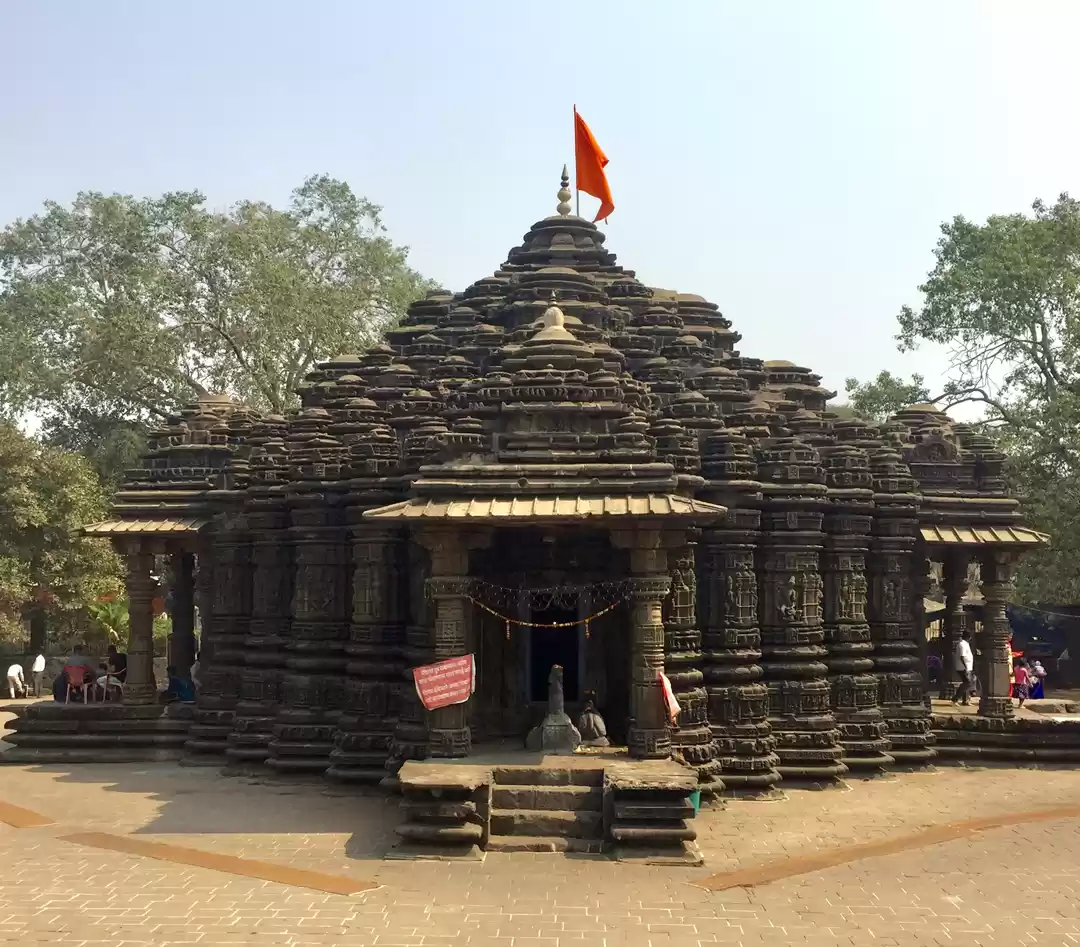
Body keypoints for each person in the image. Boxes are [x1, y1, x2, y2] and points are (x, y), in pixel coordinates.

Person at [952, 630, 975, 705]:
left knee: (968, 682)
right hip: (963, 668)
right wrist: (966, 668)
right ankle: (955, 698)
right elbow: (962, 657)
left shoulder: (965, 644)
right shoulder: (962, 644)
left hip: (967, 667)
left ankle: (965, 700)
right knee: (967, 683)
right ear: (968, 637)